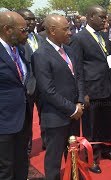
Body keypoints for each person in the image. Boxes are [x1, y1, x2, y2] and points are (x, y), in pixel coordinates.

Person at [70, 5, 111, 174]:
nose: (105, 21)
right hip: (91, 91)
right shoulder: (79, 38)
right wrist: (82, 93)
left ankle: (106, 149)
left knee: (106, 123)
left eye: (106, 17)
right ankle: (91, 157)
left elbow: (110, 61)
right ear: (91, 16)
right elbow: (77, 68)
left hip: (107, 88)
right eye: (102, 17)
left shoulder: (104, 37)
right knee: (91, 127)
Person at [32, 14, 84, 180]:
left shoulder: (69, 50)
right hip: (55, 117)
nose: (70, 32)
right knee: (54, 161)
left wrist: (80, 102)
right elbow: (47, 91)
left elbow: (79, 78)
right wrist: (72, 109)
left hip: (75, 114)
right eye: (66, 29)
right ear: (52, 31)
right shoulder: (40, 55)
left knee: (74, 154)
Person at [0, 11, 30, 180]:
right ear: (7, 29)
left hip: (22, 119)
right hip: (3, 123)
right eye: (23, 30)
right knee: (5, 168)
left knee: (21, 163)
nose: (27, 33)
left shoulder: (18, 49)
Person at [16, 8, 45, 155]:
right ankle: (26, 151)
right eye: (28, 19)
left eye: (33, 19)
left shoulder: (40, 38)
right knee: (27, 122)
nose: (32, 22)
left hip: (44, 86)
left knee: (45, 115)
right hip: (27, 88)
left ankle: (46, 140)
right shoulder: (16, 41)